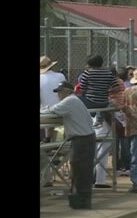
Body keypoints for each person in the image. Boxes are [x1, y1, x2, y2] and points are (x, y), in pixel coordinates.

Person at [41, 81, 96, 209]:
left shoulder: (70, 101)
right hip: (84, 138)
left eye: (60, 92)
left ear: (67, 91)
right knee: (80, 170)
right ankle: (80, 199)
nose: (59, 95)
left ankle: (82, 201)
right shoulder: (73, 100)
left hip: (82, 139)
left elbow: (52, 110)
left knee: (81, 171)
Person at [40, 55, 66, 143]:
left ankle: (48, 139)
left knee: (45, 108)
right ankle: (54, 142)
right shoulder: (60, 76)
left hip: (45, 115)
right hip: (61, 113)